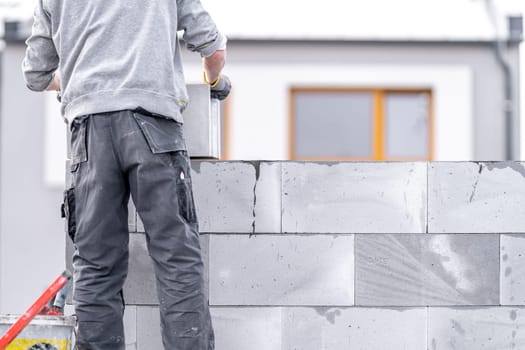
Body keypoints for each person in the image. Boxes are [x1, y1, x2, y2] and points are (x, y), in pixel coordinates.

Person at [22, 0, 230, 349]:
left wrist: (85, 82)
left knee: (95, 265)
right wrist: (214, 79)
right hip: (155, 129)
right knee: (176, 259)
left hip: (89, 136)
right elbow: (213, 48)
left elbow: (36, 75)